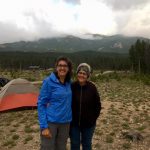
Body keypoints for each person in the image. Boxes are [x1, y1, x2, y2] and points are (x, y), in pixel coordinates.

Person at [37, 56, 73, 150]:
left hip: (65, 123)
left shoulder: (69, 82)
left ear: (68, 69)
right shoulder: (48, 82)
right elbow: (41, 104)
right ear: (56, 67)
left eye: (65, 66)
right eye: (60, 65)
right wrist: (44, 127)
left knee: (61, 147)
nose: (62, 68)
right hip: (51, 123)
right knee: (47, 147)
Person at [70, 63, 101, 150]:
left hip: (89, 124)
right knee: (74, 144)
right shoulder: (72, 86)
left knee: (87, 144)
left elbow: (98, 105)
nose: (81, 75)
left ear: (87, 75)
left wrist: (93, 118)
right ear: (77, 73)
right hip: (74, 123)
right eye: (80, 73)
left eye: (84, 73)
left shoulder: (92, 88)